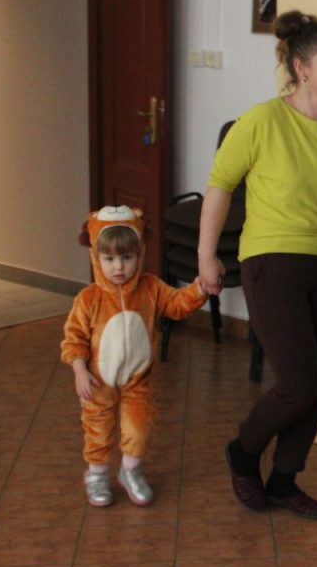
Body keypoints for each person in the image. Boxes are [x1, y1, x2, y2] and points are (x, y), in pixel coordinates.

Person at [197, 10, 317, 521]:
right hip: (271, 261)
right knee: (297, 385)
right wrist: (207, 255)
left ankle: (284, 479)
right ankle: (243, 452)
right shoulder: (262, 121)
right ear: (302, 68)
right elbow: (220, 185)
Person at [62, 205, 209, 507]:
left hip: (137, 381)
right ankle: (97, 474)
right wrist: (79, 370)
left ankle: (130, 471)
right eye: (109, 259)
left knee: (139, 427)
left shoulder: (151, 288)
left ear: (139, 254)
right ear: (96, 257)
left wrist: (199, 289)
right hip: (98, 382)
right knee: (98, 429)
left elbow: (177, 304)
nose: (119, 267)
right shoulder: (88, 299)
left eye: (127, 257)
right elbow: (74, 339)